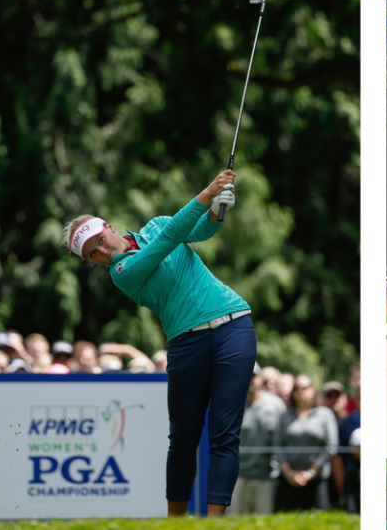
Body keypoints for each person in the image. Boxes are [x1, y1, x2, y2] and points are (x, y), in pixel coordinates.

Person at [62, 170, 251, 517]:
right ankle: (176, 523)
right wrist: (207, 193)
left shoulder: (155, 225)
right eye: (92, 255)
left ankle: (214, 525)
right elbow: (170, 238)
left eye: (99, 240)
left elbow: (200, 231)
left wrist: (215, 210)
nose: (102, 251)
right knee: (183, 438)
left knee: (225, 434)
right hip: (186, 343)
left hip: (234, 326)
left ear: (109, 226)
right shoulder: (123, 274)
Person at [275, 375, 339, 511]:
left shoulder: (325, 414)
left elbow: (331, 445)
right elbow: (277, 445)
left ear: (313, 390)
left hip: (317, 480)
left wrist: (311, 472)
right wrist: (289, 473)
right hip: (288, 481)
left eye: (305, 387)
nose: (301, 391)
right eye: (297, 388)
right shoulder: (285, 416)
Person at [231, 376, 285, 515]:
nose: (250, 379)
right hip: (237, 476)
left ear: (260, 378)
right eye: (246, 374)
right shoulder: (232, 401)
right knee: (236, 524)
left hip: (267, 476)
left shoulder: (275, 404)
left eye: (253, 375)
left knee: (265, 524)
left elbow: (283, 439)